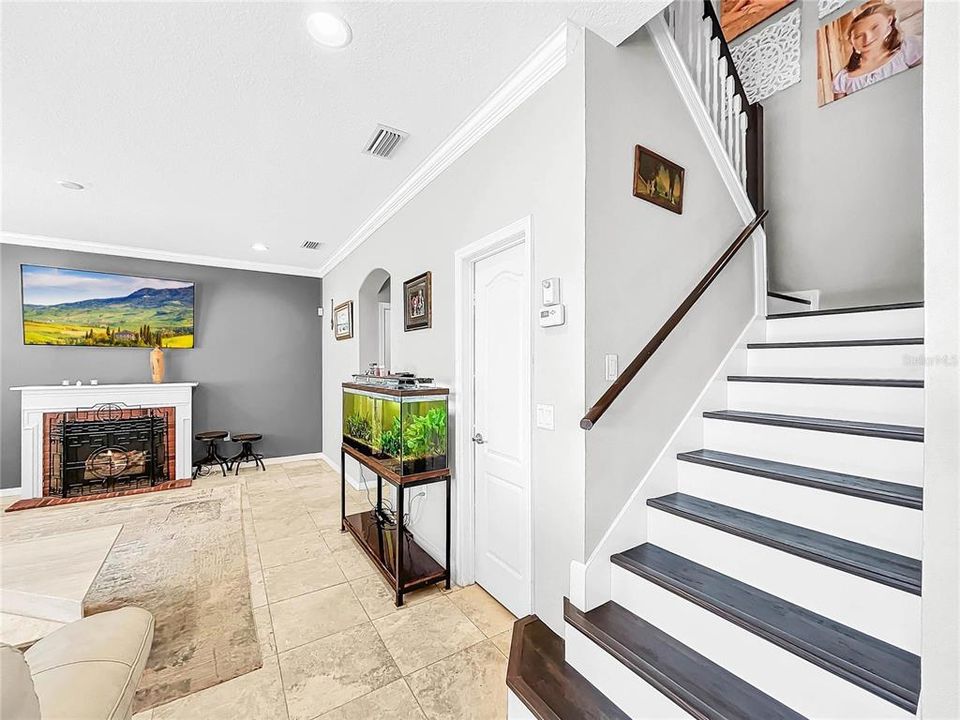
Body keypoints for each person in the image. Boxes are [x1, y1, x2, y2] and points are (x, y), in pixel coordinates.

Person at [832, 1, 922, 99]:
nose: (867, 39)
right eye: (859, 36)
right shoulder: (843, 77)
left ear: (889, 22)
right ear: (851, 40)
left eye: (874, 28)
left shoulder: (906, 50)